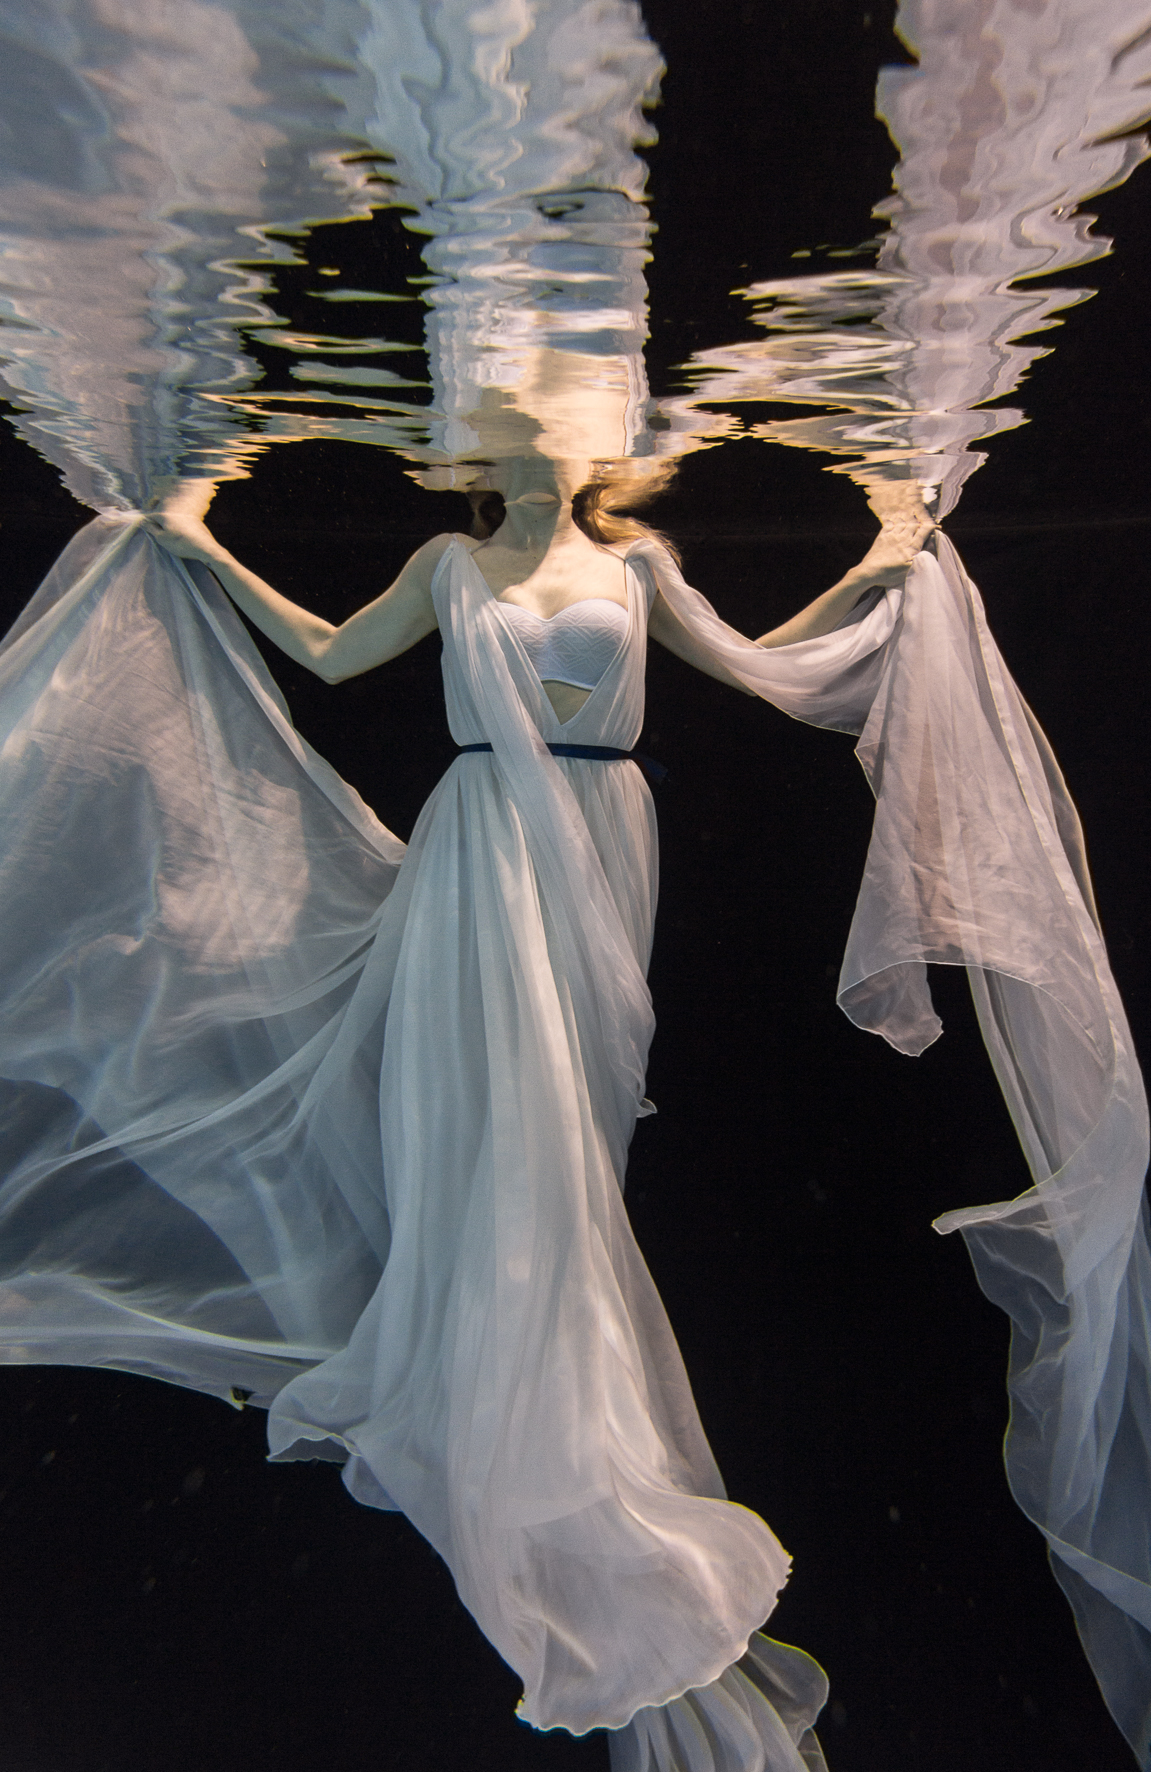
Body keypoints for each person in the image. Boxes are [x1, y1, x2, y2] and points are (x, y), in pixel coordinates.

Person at [137, 431, 930, 1771]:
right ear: (470, 448)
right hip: (482, 845)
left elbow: (759, 660)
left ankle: (560, 1426)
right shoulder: (446, 561)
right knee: (509, 1135)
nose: (534, 435)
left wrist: (887, 562)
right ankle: (534, 1432)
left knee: (577, 1140)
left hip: (605, 841)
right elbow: (330, 654)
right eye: (502, 419)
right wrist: (200, 538)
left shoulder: (640, 567)